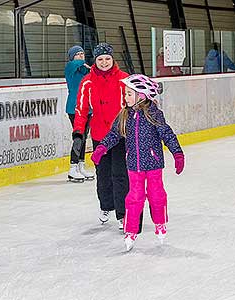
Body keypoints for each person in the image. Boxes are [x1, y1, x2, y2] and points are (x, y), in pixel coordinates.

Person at [91, 74, 184, 251]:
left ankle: (160, 223)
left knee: (156, 194)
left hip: (153, 163)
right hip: (134, 164)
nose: (125, 97)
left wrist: (177, 153)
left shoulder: (154, 114)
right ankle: (130, 231)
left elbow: (167, 134)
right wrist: (101, 148)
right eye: (125, 94)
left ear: (141, 96)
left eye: (128, 94)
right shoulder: (124, 114)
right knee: (134, 198)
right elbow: (114, 134)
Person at [72, 43, 129, 231]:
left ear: (112, 59)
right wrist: (78, 133)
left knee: (120, 174)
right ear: (95, 61)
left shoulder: (124, 80)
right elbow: (81, 110)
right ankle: (106, 206)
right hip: (99, 135)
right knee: (103, 174)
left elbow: (132, 106)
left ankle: (123, 213)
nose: (104, 62)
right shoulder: (87, 82)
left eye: (107, 58)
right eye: (100, 59)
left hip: (120, 135)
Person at [64, 45, 94, 182]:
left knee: (84, 137)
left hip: (87, 108)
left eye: (82, 53)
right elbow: (75, 63)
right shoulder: (70, 68)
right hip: (74, 108)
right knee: (78, 136)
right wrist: (85, 63)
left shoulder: (86, 72)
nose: (81, 56)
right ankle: (73, 166)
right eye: (78, 54)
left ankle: (81, 164)